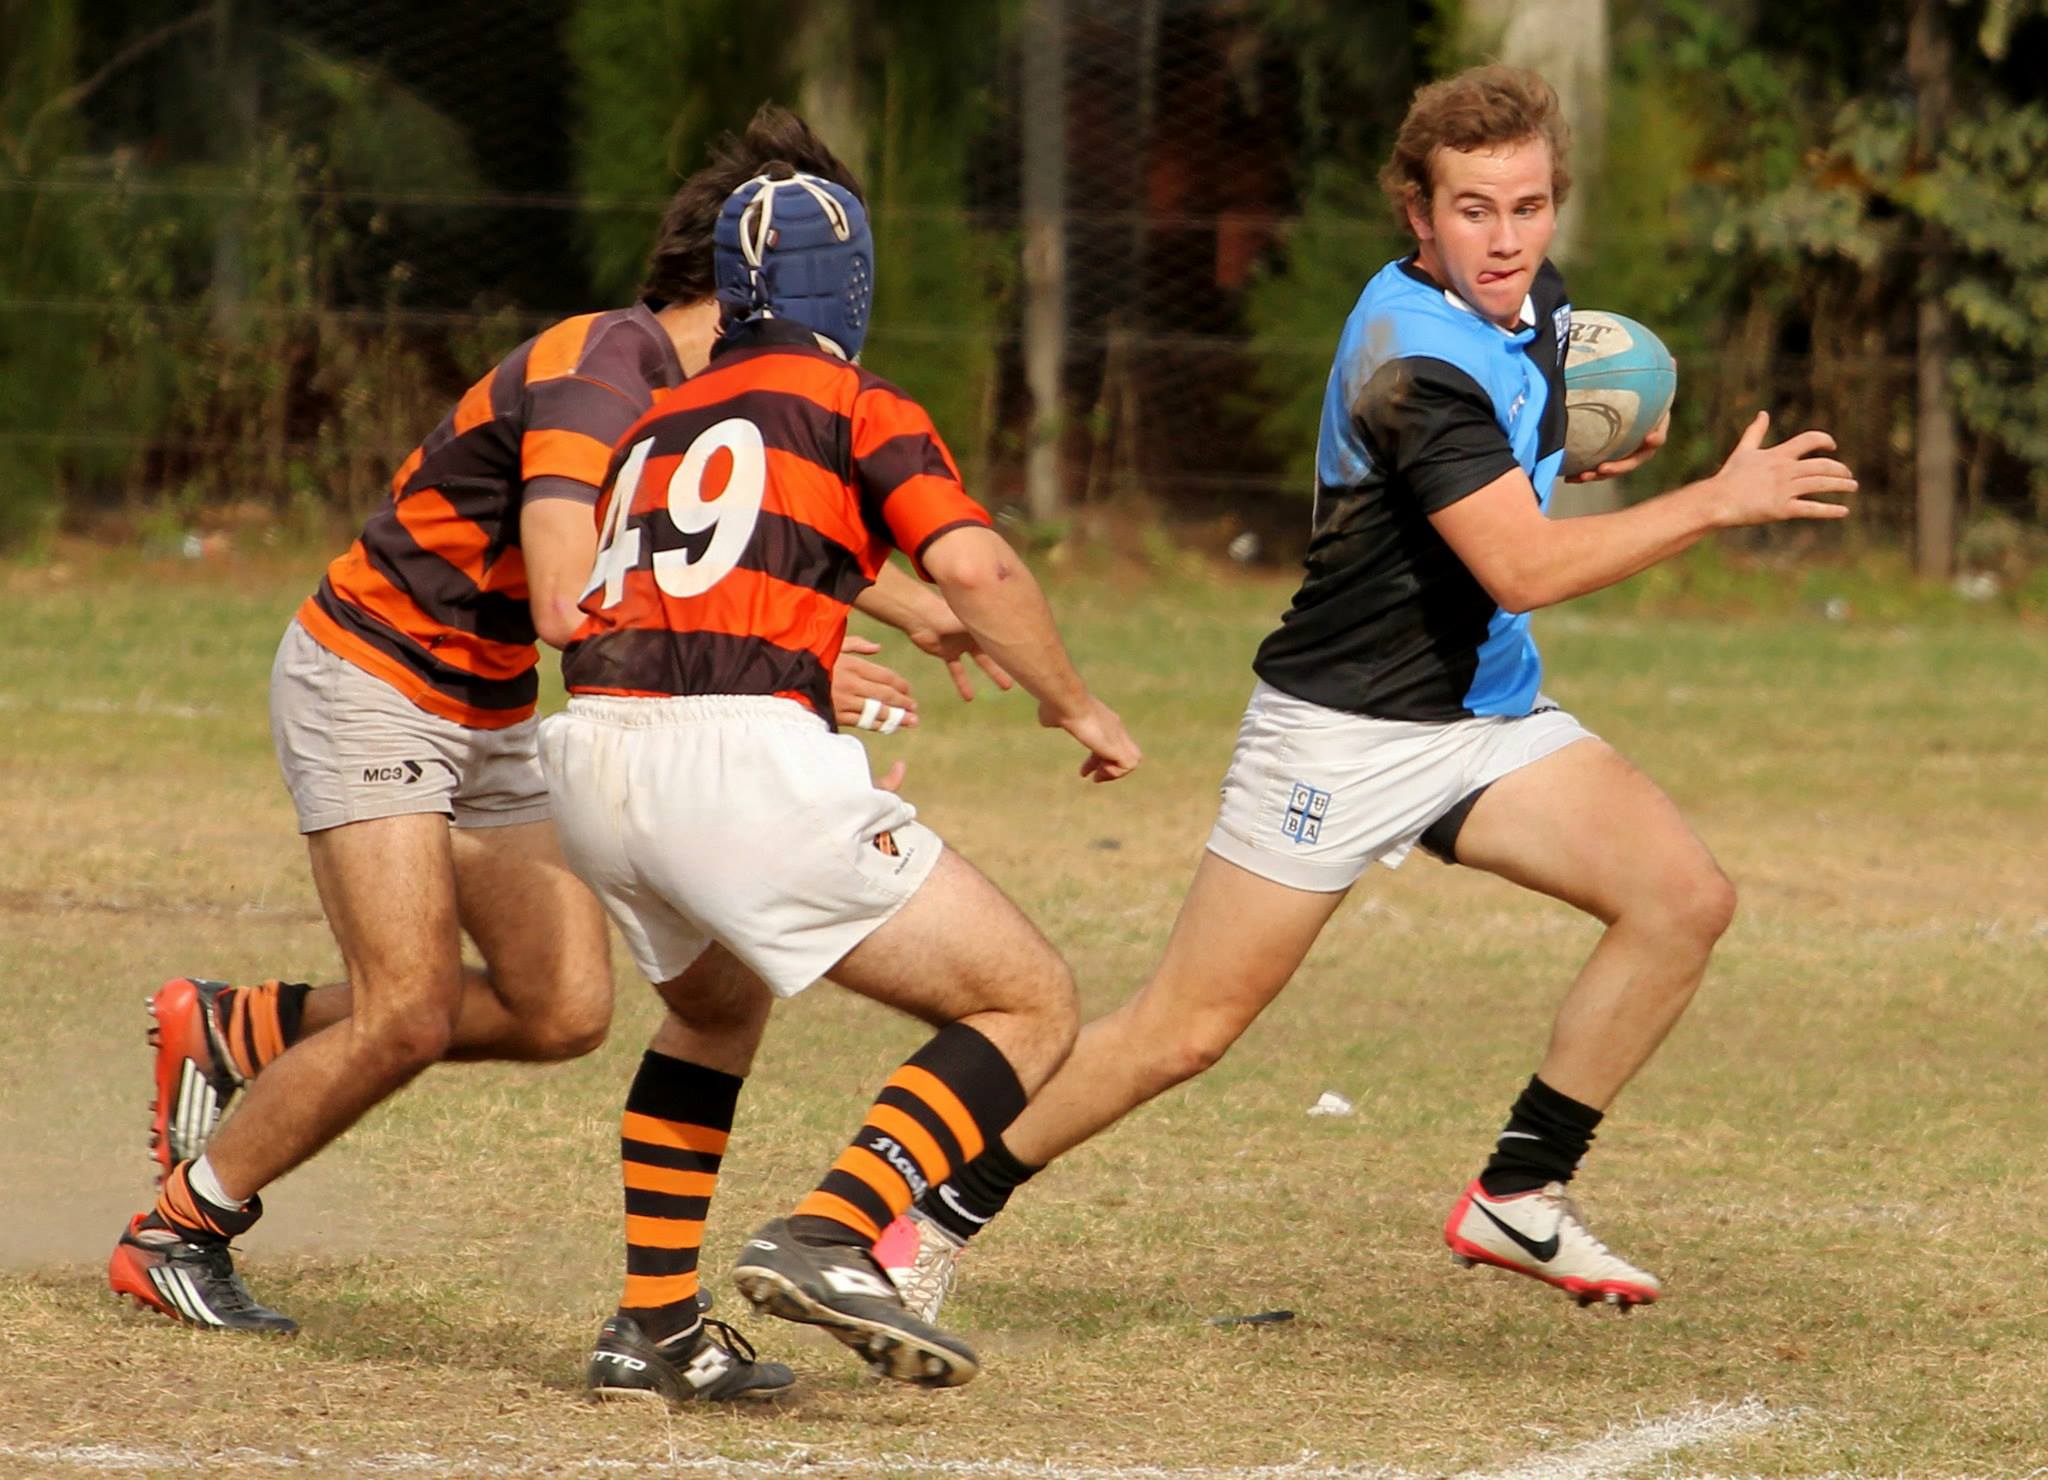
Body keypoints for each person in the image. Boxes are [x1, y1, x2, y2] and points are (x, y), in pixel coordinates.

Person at [876, 63, 1857, 1321]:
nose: (1505, 241)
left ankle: (1521, 1190)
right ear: (1415, 210)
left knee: (1680, 898)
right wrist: (1714, 502)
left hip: (1482, 715)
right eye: (1471, 211)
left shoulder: (1527, 304)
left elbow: (1530, 432)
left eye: (1528, 206)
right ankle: (923, 1224)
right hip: (1339, 732)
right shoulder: (1410, 364)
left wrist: (1595, 437)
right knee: (1184, 1029)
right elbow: (1522, 562)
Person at [109, 110, 993, 1383]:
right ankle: (181, 1226)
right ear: (741, 272)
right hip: (373, 679)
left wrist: (915, 607)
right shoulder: (603, 362)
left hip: (491, 711)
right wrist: (768, 659)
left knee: (561, 1005)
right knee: (408, 1010)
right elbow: (564, 591)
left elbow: (721, 541)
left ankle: (242, 1026)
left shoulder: (706, 398)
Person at [543, 161, 1139, 1397]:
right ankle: (832, 1228)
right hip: (732, 764)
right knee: (1025, 1003)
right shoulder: (855, 402)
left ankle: (652, 1325)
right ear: (850, 287)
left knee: (712, 1009)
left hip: (593, 755)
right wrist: (1073, 702)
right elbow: (978, 568)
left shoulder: (661, 417)